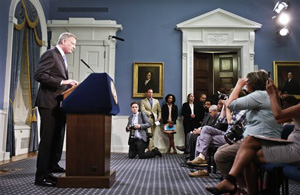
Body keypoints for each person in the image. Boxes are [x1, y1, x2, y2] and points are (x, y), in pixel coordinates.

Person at [205, 79, 300, 195]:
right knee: (248, 151)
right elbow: (284, 117)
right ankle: (240, 186)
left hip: (296, 149)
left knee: (245, 146)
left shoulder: (259, 96)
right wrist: (274, 96)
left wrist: (272, 95)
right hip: (290, 144)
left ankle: (234, 183)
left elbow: (278, 117)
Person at [212, 70, 282, 191]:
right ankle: (242, 187)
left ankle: (238, 186)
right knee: (221, 150)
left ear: (253, 83)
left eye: (247, 82)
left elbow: (231, 105)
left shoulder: (259, 95)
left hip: (261, 139)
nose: (245, 84)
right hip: (256, 138)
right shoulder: (262, 95)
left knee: (220, 155)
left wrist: (238, 85)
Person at [34, 32, 79, 187]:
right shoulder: (50, 54)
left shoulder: (61, 57)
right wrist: (63, 81)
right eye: (72, 44)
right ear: (64, 41)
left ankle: (49, 172)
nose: (74, 47)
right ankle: (40, 178)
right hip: (47, 103)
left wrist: (68, 84)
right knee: (47, 140)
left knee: (55, 140)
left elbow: (56, 80)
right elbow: (40, 75)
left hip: (57, 104)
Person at [188, 104, 247, 177]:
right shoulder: (233, 111)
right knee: (204, 132)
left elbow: (230, 122)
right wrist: (224, 107)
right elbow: (220, 120)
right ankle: (201, 158)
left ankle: (202, 168)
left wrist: (227, 107)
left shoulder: (243, 110)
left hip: (232, 138)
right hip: (226, 134)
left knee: (202, 137)